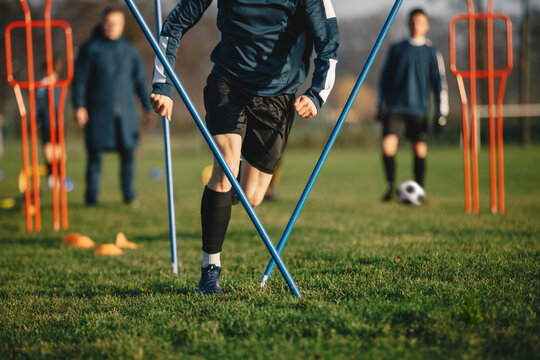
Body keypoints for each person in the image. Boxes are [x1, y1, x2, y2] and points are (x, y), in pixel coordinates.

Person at [150, 0, 340, 294]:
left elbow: (327, 41)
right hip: (229, 82)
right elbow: (173, 25)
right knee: (224, 168)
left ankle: (229, 186)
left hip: (279, 95)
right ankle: (210, 269)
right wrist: (163, 85)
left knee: (251, 196)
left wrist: (316, 94)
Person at [72, 7, 154, 206]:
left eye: (115, 23)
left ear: (122, 25)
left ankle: (129, 196)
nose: (111, 27)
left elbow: (140, 82)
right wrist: (79, 106)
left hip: (126, 114)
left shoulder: (130, 52)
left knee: (128, 156)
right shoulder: (89, 49)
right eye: (107, 22)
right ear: (102, 23)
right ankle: (91, 199)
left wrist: (147, 108)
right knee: (95, 158)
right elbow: (79, 80)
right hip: (98, 113)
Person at [377, 8, 449, 202]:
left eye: (420, 22)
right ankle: (390, 187)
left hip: (418, 108)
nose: (416, 25)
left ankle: (419, 192)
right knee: (387, 147)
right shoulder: (396, 49)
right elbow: (383, 78)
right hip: (394, 106)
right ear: (408, 24)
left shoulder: (432, 52)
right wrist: (380, 104)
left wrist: (441, 113)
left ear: (427, 26)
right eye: (413, 21)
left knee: (419, 150)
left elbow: (440, 83)